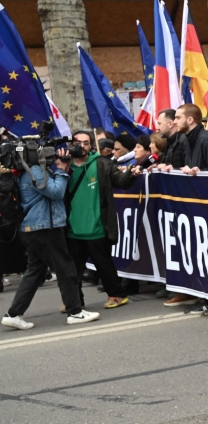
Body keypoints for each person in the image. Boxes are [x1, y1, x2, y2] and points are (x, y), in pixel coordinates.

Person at [2, 154, 100, 329]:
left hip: (35, 227)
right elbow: (56, 193)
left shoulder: (26, 171)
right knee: (66, 268)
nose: (48, 155)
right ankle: (75, 312)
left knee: (35, 272)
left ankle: (14, 314)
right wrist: (61, 170)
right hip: (45, 227)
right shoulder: (35, 171)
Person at [65, 130, 136, 311]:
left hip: (97, 226)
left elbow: (121, 180)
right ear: (70, 143)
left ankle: (117, 295)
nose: (81, 146)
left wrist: (132, 173)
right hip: (71, 228)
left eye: (86, 143)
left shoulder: (102, 164)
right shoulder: (63, 166)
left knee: (104, 265)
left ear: (90, 146)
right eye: (77, 142)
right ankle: (75, 302)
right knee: (72, 270)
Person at [173, 103, 208, 170]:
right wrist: (173, 169)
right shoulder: (187, 139)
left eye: (178, 118)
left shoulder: (206, 139)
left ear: (190, 120)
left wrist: (199, 172)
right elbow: (189, 168)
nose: (174, 122)